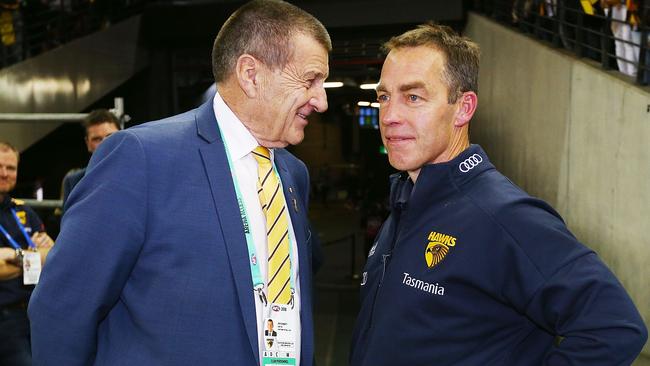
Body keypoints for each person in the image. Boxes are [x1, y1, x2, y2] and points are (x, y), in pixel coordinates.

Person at [28, 1, 329, 365]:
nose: (322, 100)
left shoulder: (293, 173)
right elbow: (64, 306)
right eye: (310, 80)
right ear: (251, 74)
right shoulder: (140, 157)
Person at [350, 23, 647, 365]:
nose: (389, 116)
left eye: (413, 97)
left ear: (463, 108)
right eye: (384, 97)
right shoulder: (406, 204)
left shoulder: (505, 216)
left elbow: (615, 328)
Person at [0, 141, 54, 366]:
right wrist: (35, 256)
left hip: (34, 313)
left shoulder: (23, 210)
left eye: (10, 168)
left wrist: (13, 255)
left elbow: (52, 255)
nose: (4, 174)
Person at [61, 109, 120, 209]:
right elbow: (69, 222)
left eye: (111, 136)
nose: (105, 143)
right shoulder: (74, 181)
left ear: (123, 136)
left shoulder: (140, 174)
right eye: (97, 139)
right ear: (88, 143)